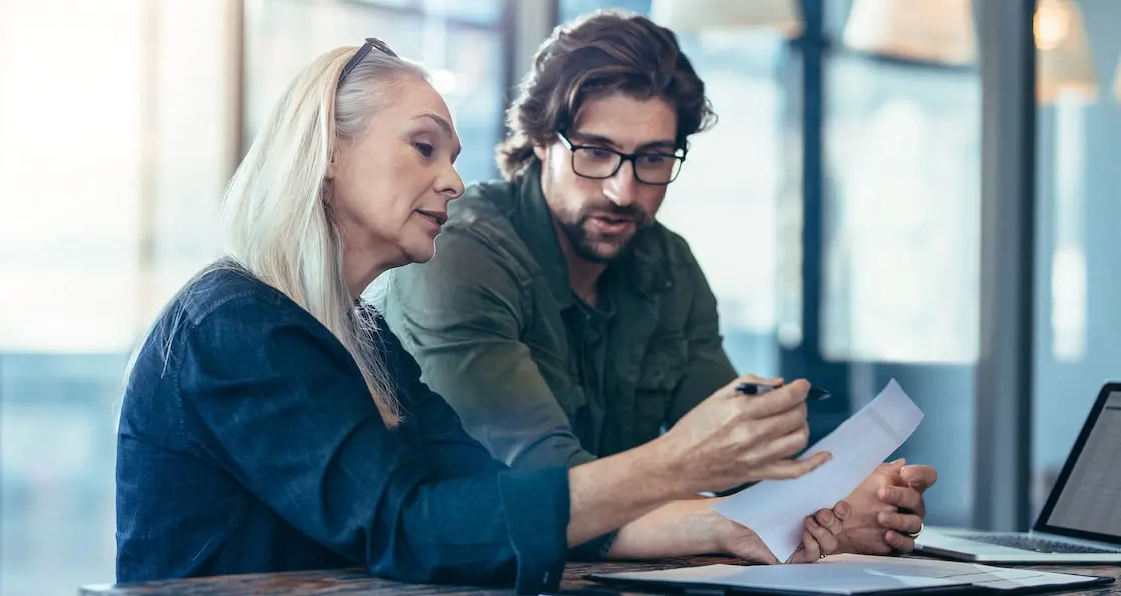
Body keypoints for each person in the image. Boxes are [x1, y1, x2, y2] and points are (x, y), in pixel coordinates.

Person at [114, 39, 849, 593]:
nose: (453, 181)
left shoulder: (362, 336)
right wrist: (677, 464)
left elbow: (489, 499)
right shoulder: (236, 326)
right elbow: (410, 529)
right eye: (423, 147)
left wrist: (739, 525)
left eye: (454, 155)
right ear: (328, 154)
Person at [381, 11, 937, 557]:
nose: (625, 191)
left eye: (652, 158)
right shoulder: (459, 252)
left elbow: (743, 459)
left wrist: (846, 496)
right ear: (542, 140)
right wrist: (753, 517)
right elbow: (546, 489)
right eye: (596, 153)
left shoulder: (667, 264)